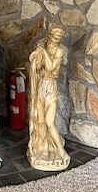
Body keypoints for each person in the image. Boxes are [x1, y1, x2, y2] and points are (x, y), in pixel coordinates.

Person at [26, 24, 70, 171]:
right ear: (50, 34)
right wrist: (36, 60)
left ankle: (60, 150)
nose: (56, 39)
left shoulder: (58, 51)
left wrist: (43, 52)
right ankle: (42, 149)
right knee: (39, 119)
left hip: (51, 87)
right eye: (54, 36)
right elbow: (37, 65)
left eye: (59, 37)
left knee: (50, 122)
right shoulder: (42, 46)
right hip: (40, 87)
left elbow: (51, 68)